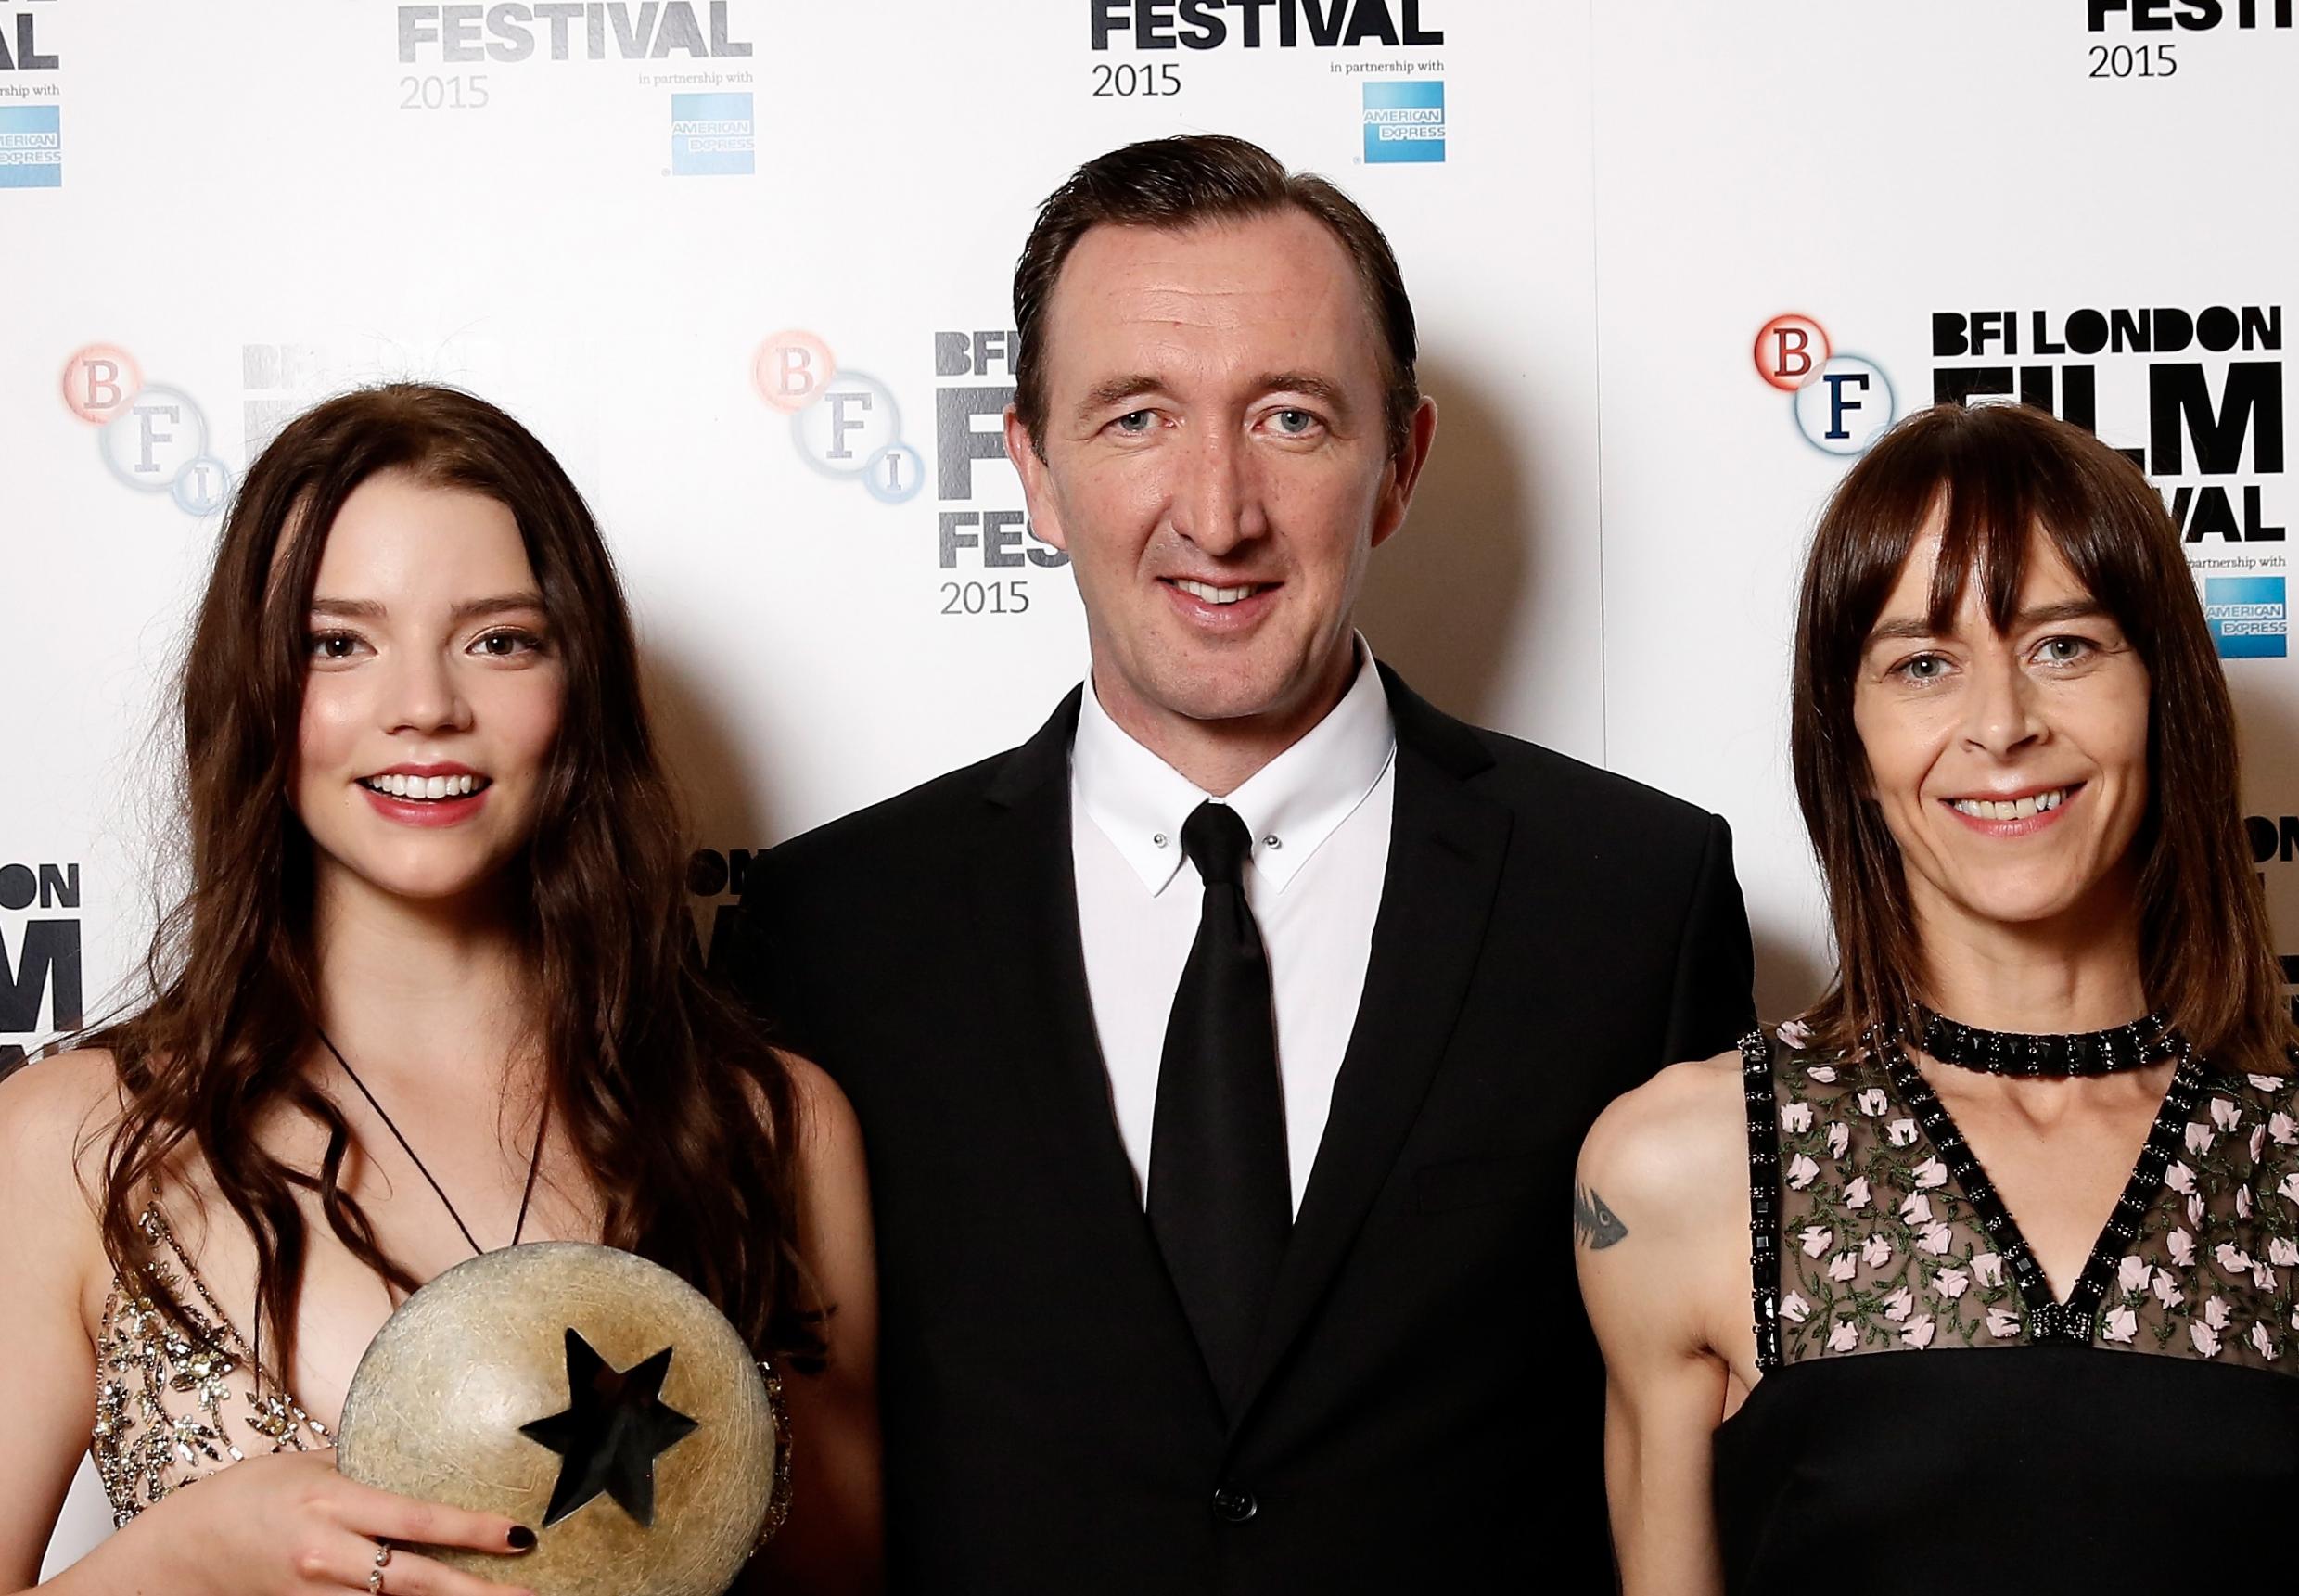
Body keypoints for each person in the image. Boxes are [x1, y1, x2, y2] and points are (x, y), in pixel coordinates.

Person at [722, 134, 1755, 1591]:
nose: (1218, 510)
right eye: (1137, 416)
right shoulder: (830, 932)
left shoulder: (1631, 899)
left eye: (1290, 418)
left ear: (1399, 466)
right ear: (1031, 468)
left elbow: (1702, 1466)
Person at [0, 385, 880, 1595]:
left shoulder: (771, 1125)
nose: (425, 707)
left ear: (580, 688)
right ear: (255, 686)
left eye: (499, 639)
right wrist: (183, 1557)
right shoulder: (78, 1141)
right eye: (337, 642)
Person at [1577, 401, 2299, 1594]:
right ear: (1849, 738)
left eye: (2064, 646)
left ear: (2163, 695)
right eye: (1923, 663)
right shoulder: (1680, 1164)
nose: (2002, 725)